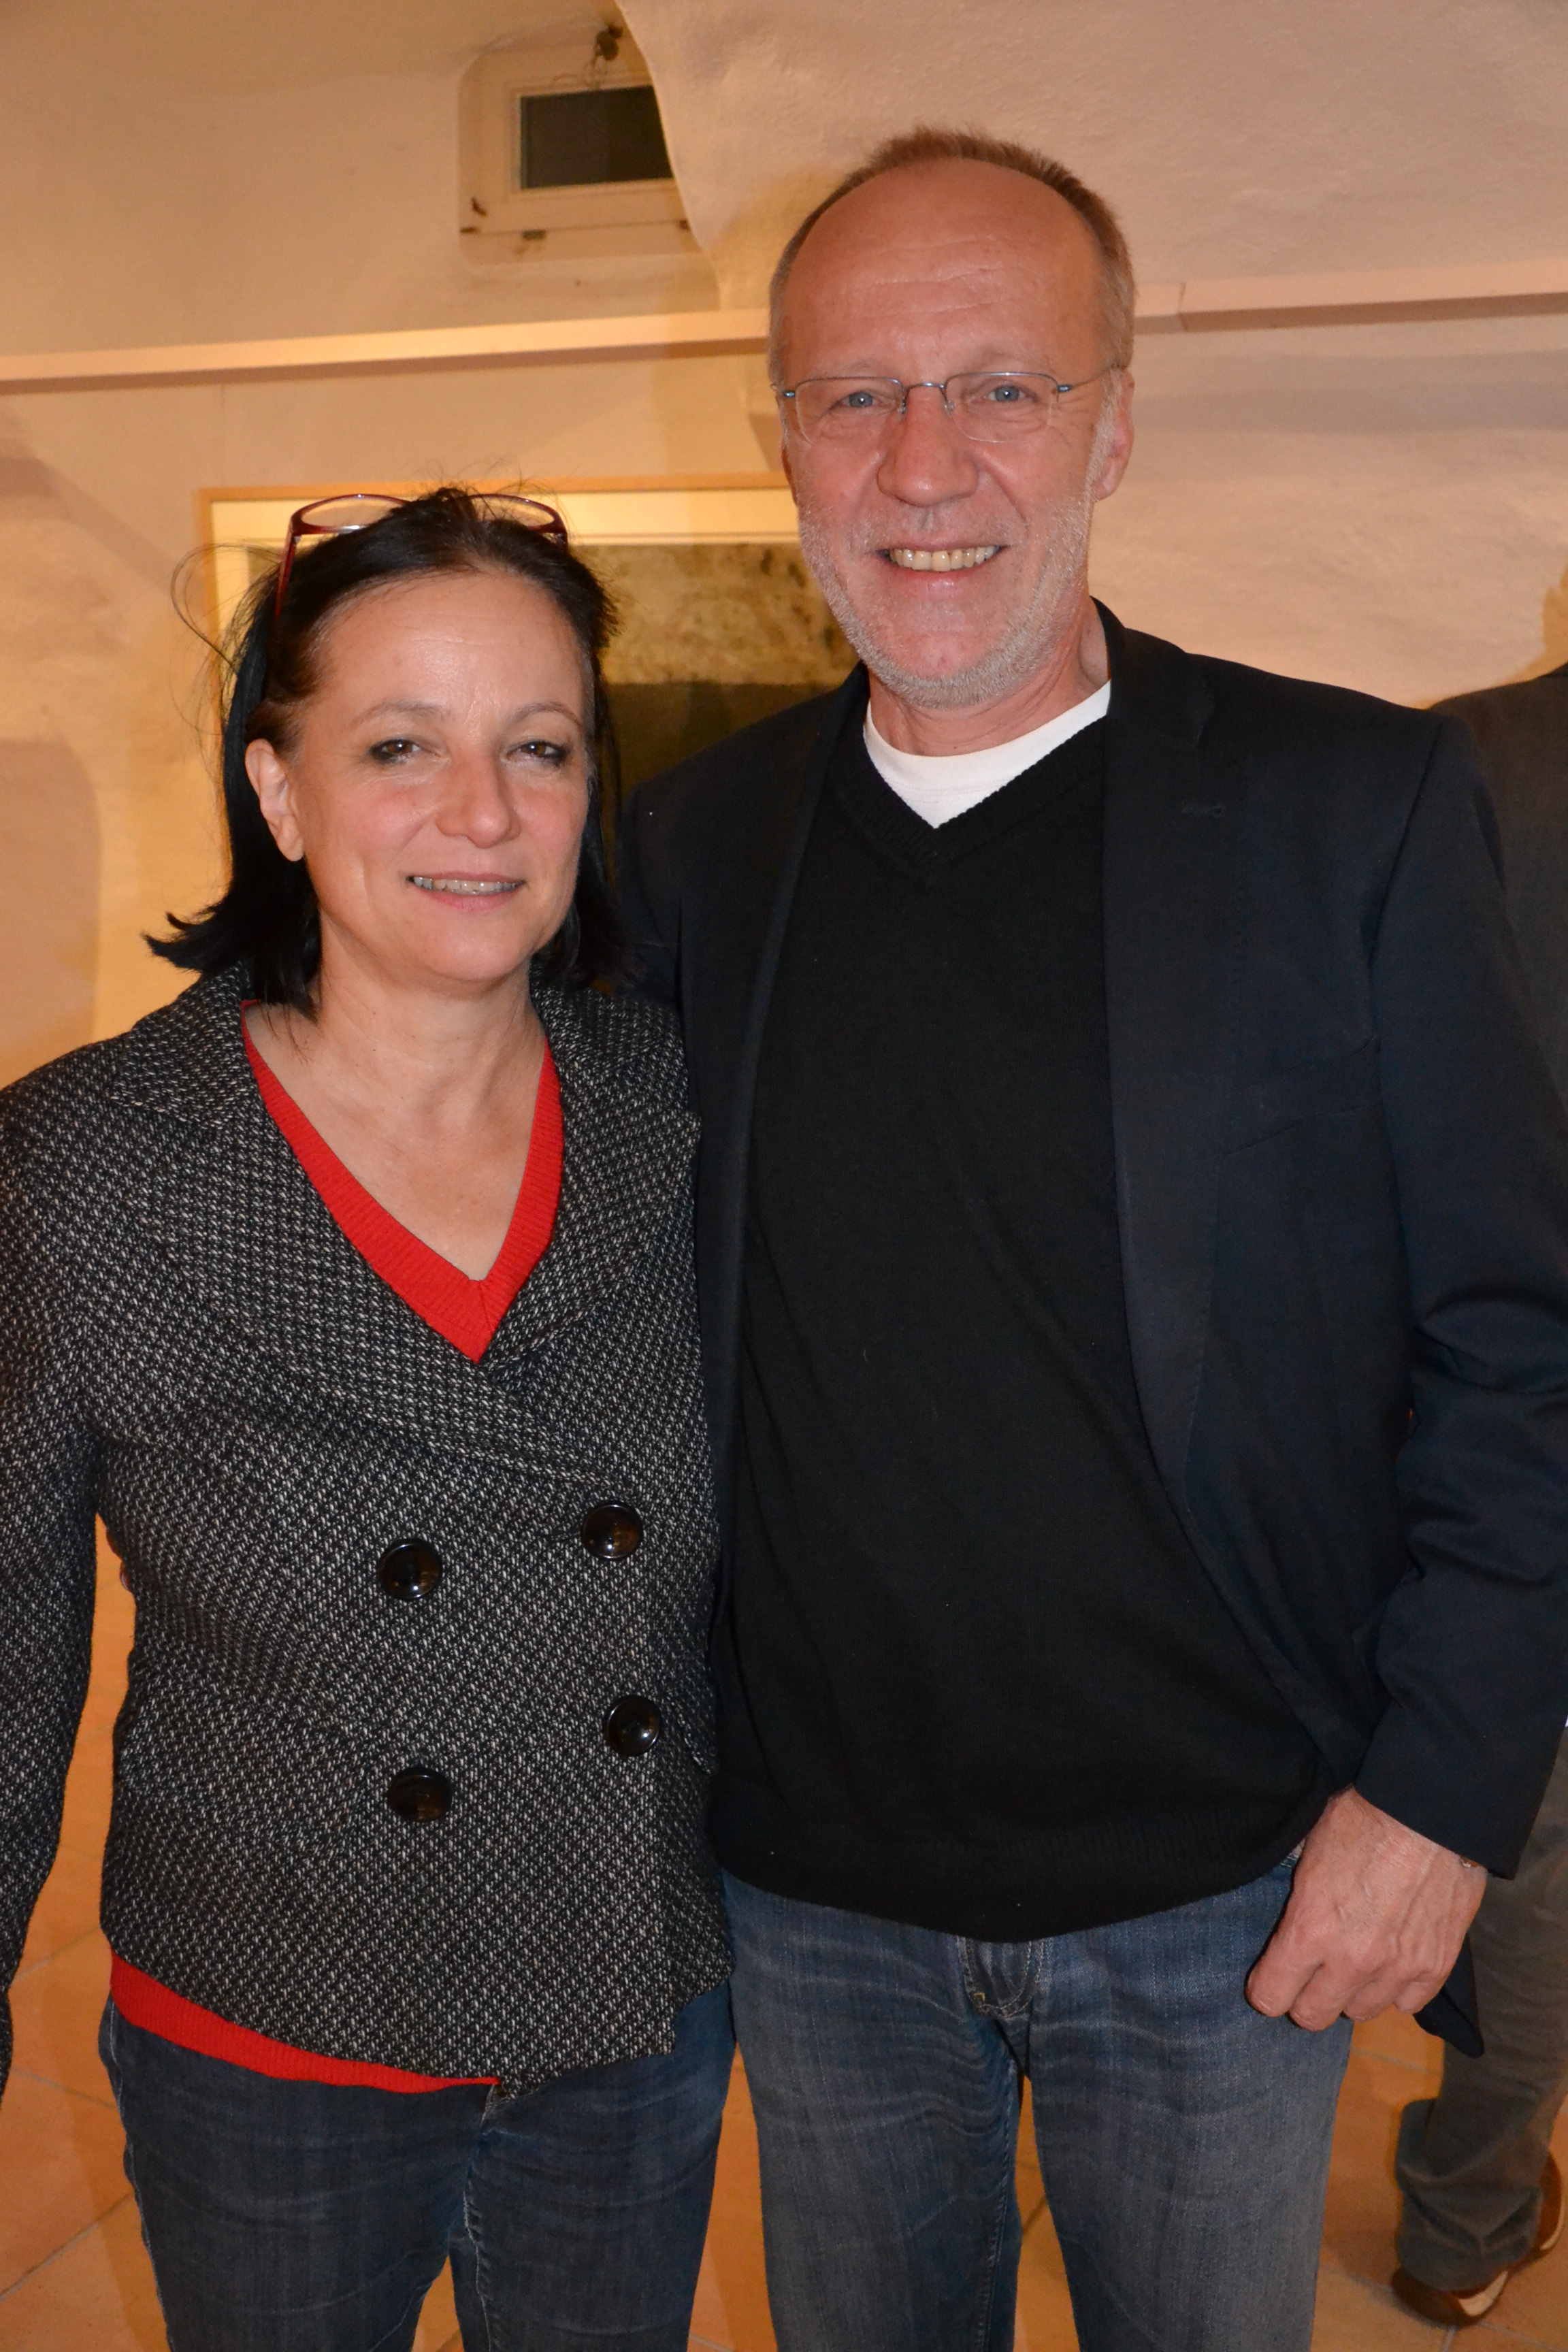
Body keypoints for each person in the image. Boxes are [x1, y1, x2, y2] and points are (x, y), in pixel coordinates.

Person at [617, 128, 1568, 2352]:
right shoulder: (693, 851)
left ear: (1113, 425)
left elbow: (1517, 1345)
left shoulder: (1350, 811)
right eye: (857, 395)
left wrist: (1440, 1794)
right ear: (783, 444)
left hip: (1221, 1880)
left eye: (1002, 388)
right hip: (815, 1894)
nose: (922, 463)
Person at [0, 487, 732, 2352]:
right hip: (273, 2028)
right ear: (279, 790)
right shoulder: (88, 1161)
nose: (483, 815)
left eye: (539, 748)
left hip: (624, 2000)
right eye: (401, 747)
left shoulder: (679, 1103)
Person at [1392, 651, 1568, 2328]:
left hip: (1451, 1362)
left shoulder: (1456, 761)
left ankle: (1466, 2215)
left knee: (1514, 1811)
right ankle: (1465, 2209)